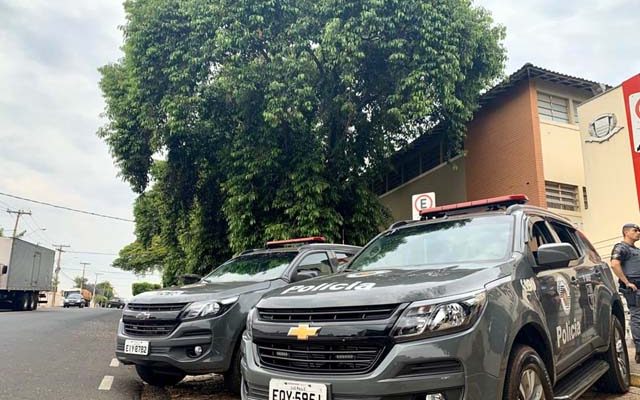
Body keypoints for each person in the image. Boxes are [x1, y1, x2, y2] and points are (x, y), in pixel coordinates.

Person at [611, 223, 640, 362]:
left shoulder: (634, 249)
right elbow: (614, 264)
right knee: (637, 318)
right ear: (626, 232)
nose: (638, 232)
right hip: (633, 290)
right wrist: (627, 282)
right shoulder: (621, 247)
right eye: (635, 230)